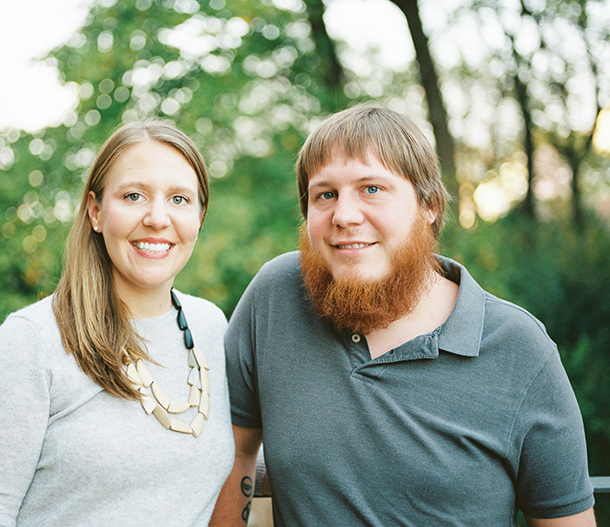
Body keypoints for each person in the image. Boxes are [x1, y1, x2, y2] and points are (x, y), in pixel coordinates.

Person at [211, 104, 596, 526]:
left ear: (428, 205)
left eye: (372, 189)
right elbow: (232, 451)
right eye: (325, 194)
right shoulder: (278, 295)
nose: (344, 216)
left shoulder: (518, 347)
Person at [0, 120, 234, 526]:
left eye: (180, 199)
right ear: (95, 211)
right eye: (133, 195)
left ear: (200, 217)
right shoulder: (31, 342)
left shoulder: (210, 327)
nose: (157, 218)